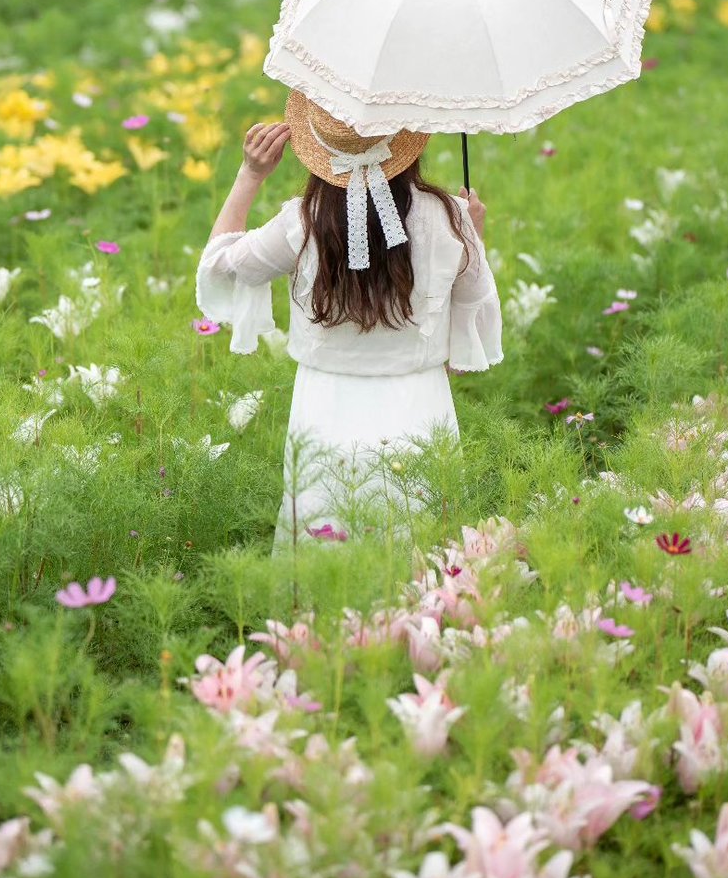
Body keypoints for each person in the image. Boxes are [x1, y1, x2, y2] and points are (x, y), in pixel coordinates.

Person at [195, 89, 502, 557]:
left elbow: (221, 265)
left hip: (325, 410)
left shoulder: (303, 221)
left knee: (323, 550)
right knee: (418, 553)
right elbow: (467, 342)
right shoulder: (449, 218)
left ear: (321, 150)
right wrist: (472, 232)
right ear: (408, 143)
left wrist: (250, 174)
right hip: (418, 407)